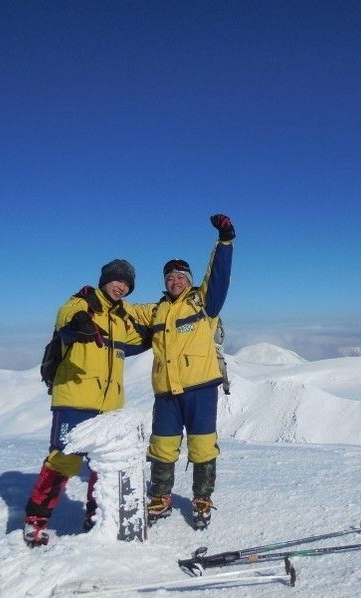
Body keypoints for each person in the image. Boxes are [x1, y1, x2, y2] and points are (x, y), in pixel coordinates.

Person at [23, 259, 150, 547]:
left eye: (127, 284)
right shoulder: (81, 304)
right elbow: (67, 322)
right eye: (117, 281)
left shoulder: (119, 321)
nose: (121, 287)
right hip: (76, 398)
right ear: (105, 280)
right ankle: (35, 521)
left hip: (109, 405)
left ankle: (96, 518)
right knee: (63, 459)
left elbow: (142, 340)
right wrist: (78, 324)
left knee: (102, 465)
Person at [126, 214, 234, 529]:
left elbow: (218, 277)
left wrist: (225, 240)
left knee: (202, 445)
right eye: (170, 277)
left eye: (180, 276)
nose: (175, 281)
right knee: (162, 445)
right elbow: (124, 313)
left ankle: (202, 499)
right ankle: (160, 499)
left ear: (189, 280)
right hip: (166, 393)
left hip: (200, 389)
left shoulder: (203, 302)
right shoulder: (155, 310)